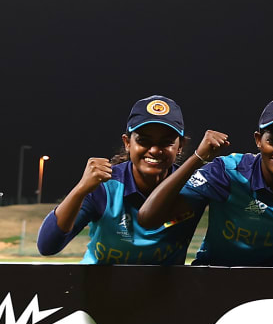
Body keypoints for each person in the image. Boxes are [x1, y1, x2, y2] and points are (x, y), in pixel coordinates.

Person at [135, 96, 273, 266]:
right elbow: (147, 218)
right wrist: (198, 157)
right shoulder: (226, 172)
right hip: (216, 276)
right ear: (258, 140)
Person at [38, 95, 200, 264]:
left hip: (165, 290)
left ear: (180, 146)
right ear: (127, 143)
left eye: (166, 142)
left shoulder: (195, 187)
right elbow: (48, 246)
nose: (154, 150)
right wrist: (81, 189)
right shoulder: (104, 185)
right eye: (143, 141)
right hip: (99, 288)